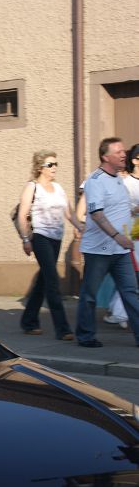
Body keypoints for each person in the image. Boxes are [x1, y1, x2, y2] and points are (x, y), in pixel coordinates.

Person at [74, 137, 139, 348]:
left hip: (120, 250)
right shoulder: (95, 181)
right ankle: (85, 336)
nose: (124, 154)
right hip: (98, 250)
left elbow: (118, 209)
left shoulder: (119, 179)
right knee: (89, 295)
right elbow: (98, 214)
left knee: (131, 292)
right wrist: (117, 236)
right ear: (105, 156)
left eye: (124, 151)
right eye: (118, 151)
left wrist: (132, 214)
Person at [16, 150, 80, 340]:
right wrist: (26, 239)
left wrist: (81, 226)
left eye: (55, 164)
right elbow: (22, 214)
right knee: (52, 281)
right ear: (40, 168)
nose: (54, 168)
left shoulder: (58, 188)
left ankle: (28, 321)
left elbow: (69, 213)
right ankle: (63, 329)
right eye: (50, 165)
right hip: (40, 237)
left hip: (56, 237)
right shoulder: (32, 187)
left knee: (44, 279)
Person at [104, 143, 139, 328]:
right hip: (132, 236)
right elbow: (120, 207)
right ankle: (119, 312)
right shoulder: (126, 183)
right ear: (135, 160)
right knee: (131, 277)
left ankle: (120, 311)